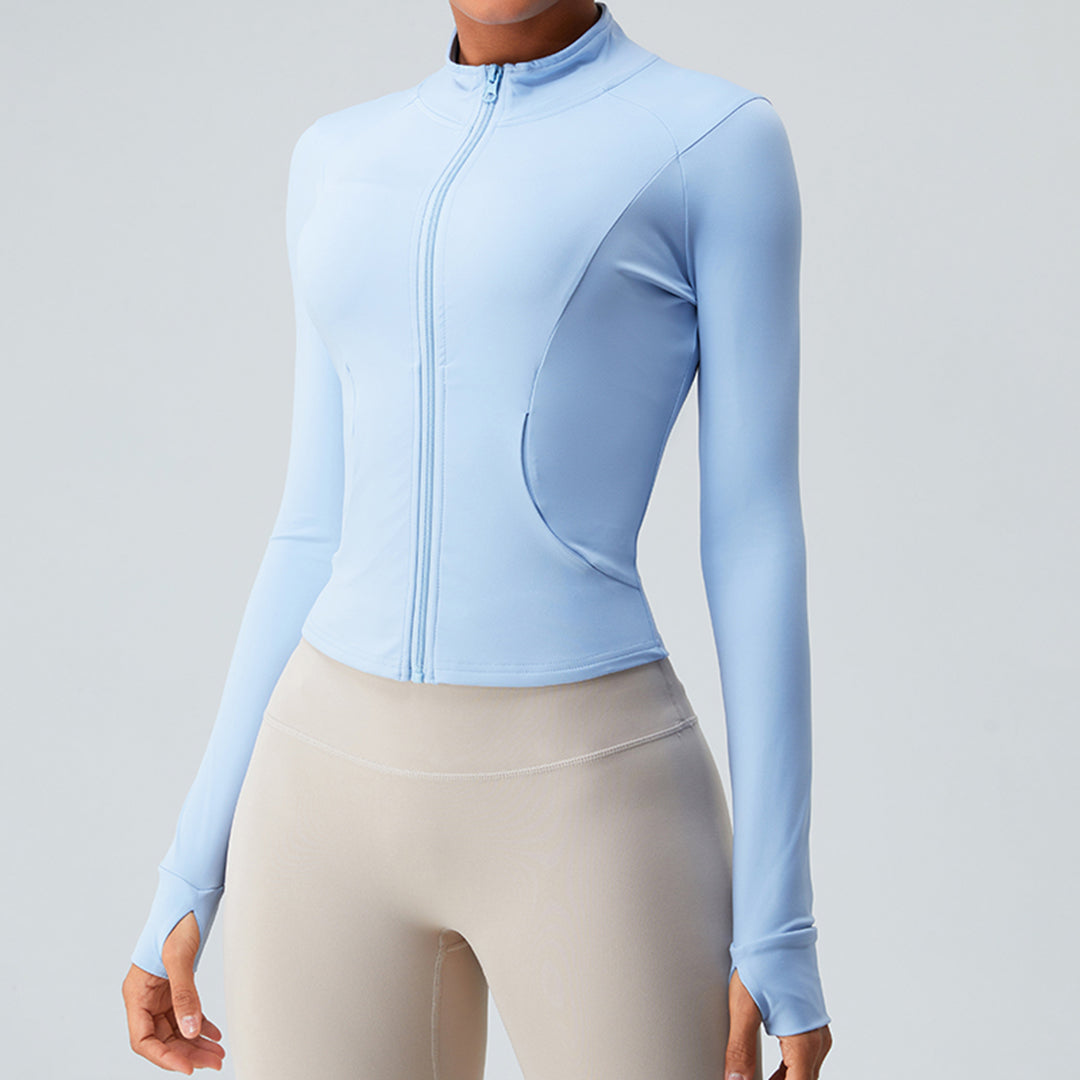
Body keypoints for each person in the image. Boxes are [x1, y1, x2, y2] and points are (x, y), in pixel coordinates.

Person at [121, 2, 834, 1078]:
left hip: (590, 799)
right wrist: (188, 873)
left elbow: (754, 537)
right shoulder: (338, 156)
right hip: (318, 801)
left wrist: (778, 920)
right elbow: (313, 527)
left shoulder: (713, 142)